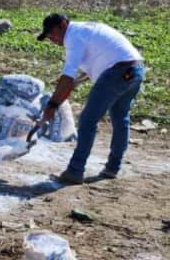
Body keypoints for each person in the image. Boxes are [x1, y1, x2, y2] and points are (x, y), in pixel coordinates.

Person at [37, 13, 144, 185]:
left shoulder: (72, 36)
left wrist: (52, 105)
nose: (52, 39)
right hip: (135, 70)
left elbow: (67, 76)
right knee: (120, 118)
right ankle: (112, 168)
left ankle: (75, 171)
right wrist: (68, 88)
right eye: (48, 37)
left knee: (87, 121)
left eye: (52, 34)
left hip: (117, 73)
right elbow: (100, 59)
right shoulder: (86, 29)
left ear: (63, 25)